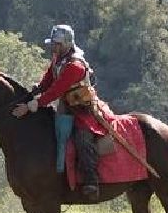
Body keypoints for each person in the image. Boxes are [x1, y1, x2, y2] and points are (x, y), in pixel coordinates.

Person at [14, 22, 106, 199]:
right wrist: (36, 90)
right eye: (53, 44)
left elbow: (56, 90)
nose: (53, 47)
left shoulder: (75, 65)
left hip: (82, 110)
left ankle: (90, 181)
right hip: (65, 108)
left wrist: (32, 105)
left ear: (66, 44)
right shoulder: (58, 59)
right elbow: (48, 80)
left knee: (83, 139)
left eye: (56, 44)